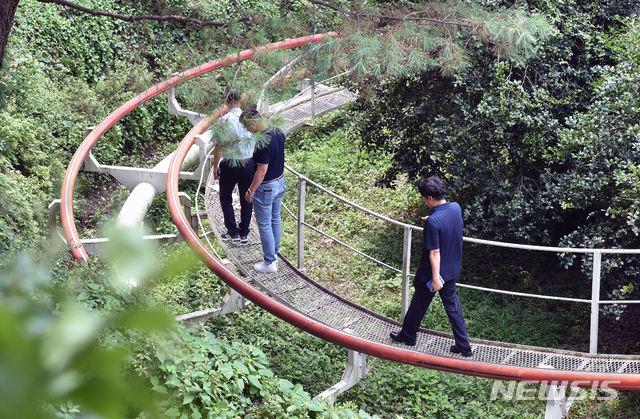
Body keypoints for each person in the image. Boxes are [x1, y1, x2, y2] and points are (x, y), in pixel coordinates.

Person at [390, 176, 473, 357]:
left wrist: (435, 278)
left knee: (419, 302)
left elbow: (434, 252)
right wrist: (433, 217)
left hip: (433, 274)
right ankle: (464, 346)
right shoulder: (455, 208)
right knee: (453, 308)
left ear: (429, 198)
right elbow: (449, 221)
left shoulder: (433, 223)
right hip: (451, 270)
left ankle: (408, 335)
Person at [241, 108, 286, 273]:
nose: (248, 131)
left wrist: (250, 191)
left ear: (253, 123)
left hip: (266, 187)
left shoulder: (262, 141)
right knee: (275, 219)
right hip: (280, 182)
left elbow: (261, 171)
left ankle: (269, 262)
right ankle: (273, 254)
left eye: (247, 127)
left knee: (265, 223)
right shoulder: (278, 131)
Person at [212, 88, 255, 244]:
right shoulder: (250, 118)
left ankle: (232, 232)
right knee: (246, 197)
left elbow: (218, 147)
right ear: (241, 101)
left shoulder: (223, 120)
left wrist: (216, 166)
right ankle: (244, 232)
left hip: (230, 163)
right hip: (248, 162)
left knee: (225, 196)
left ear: (227, 101)